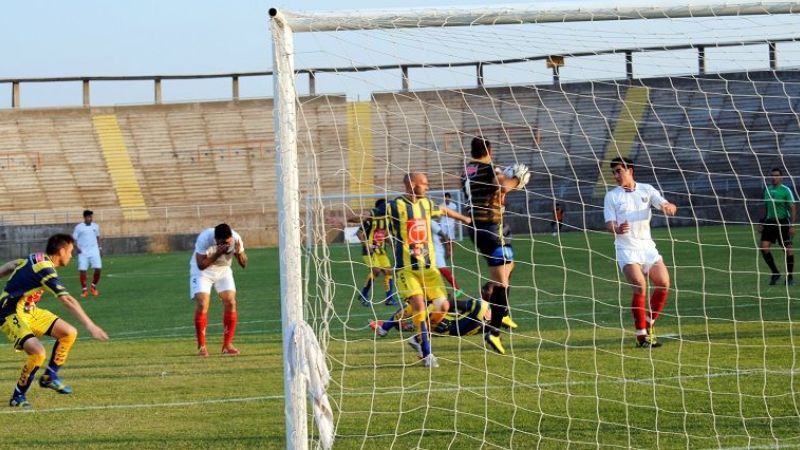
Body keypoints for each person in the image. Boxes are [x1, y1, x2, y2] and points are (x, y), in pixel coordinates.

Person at [0, 234, 109, 408]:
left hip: (29, 310)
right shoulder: (46, 270)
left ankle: (49, 376)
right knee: (38, 353)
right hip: (9, 312)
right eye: (70, 251)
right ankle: (18, 396)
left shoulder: (37, 257)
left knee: (69, 333)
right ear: (61, 251)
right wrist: (91, 325)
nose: (71, 255)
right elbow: (67, 300)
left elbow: (13, 264)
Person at [385, 172, 471, 368]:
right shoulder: (395, 206)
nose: (427, 186)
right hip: (407, 268)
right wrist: (345, 220)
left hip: (429, 269)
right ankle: (427, 353)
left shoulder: (426, 204)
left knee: (444, 307)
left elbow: (444, 210)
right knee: (419, 306)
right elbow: (371, 216)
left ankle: (417, 339)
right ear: (411, 184)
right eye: (424, 183)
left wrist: (465, 219)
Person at [461, 137, 530, 355]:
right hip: (492, 229)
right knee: (502, 282)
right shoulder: (490, 168)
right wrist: (517, 180)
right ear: (489, 151)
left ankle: (502, 311)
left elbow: (492, 191)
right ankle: (494, 331)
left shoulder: (467, 170)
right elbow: (502, 186)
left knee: (508, 267)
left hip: (478, 229)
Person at [603, 157, 677, 348]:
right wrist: (617, 229)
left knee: (664, 283)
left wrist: (669, 206)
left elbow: (662, 202)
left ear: (630, 170)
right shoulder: (612, 196)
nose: (616, 176)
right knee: (640, 286)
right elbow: (609, 224)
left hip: (647, 247)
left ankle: (648, 322)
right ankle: (641, 337)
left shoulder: (646, 189)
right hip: (626, 249)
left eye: (619, 171)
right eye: (614, 172)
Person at [190, 223, 247, 357]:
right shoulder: (205, 238)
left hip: (223, 270)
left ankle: (227, 345)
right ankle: (202, 347)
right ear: (216, 239)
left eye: (228, 242)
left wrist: (239, 252)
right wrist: (218, 253)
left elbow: (244, 264)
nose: (226, 245)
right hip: (202, 272)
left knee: (231, 302)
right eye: (222, 243)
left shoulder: (236, 238)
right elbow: (201, 265)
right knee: (203, 303)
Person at [759, 167, 797, 286]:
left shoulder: (786, 190)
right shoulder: (767, 190)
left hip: (783, 222)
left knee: (787, 249)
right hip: (770, 222)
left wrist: (792, 225)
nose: (774, 177)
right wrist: (762, 222)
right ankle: (775, 273)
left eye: (776, 175)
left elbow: (793, 208)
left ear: (781, 177)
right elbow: (766, 207)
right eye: (772, 175)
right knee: (764, 247)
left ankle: (790, 277)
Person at [357, 199, 397, 306]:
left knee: (388, 271)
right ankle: (363, 295)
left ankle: (389, 298)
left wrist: (392, 245)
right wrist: (367, 246)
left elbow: (385, 234)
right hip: (369, 251)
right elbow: (359, 233)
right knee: (376, 270)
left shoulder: (387, 220)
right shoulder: (370, 219)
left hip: (381, 251)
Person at [72, 209, 102, 297]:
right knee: (82, 270)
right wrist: (76, 248)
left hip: (94, 251)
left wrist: (100, 248)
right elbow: (73, 239)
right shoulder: (79, 227)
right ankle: (84, 290)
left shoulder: (95, 226)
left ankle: (93, 287)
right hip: (83, 252)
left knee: (98, 268)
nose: (90, 218)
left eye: (91, 217)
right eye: (89, 217)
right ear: (84, 217)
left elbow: (98, 237)